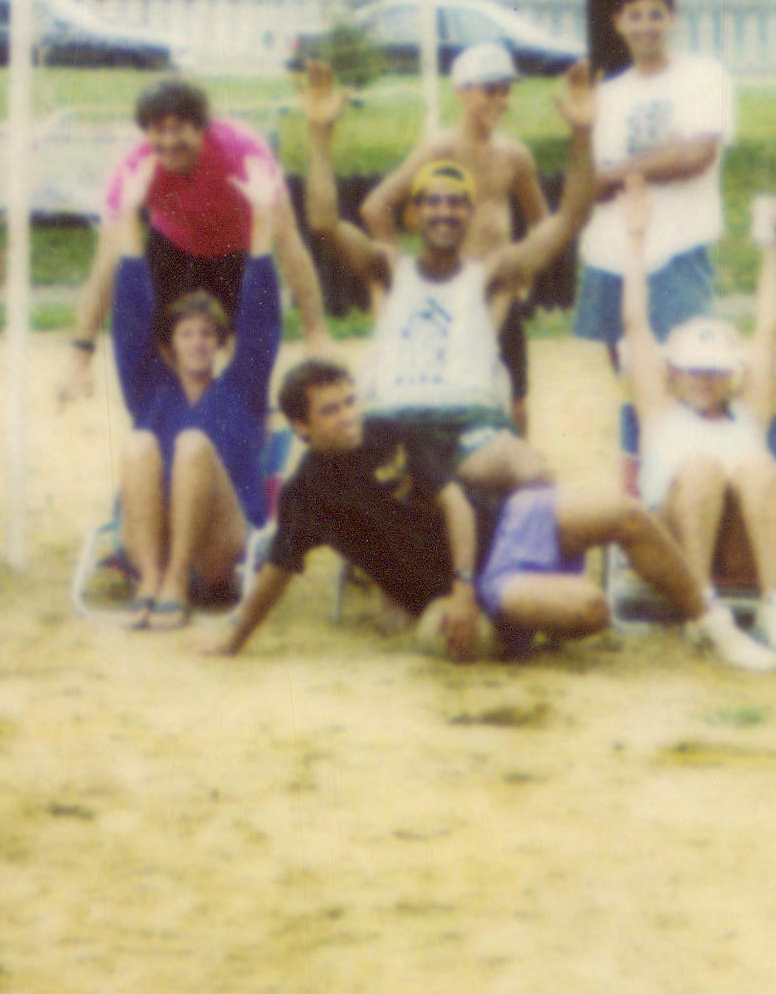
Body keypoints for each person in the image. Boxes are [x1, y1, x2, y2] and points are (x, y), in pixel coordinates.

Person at [199, 361, 776, 670]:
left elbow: (454, 502)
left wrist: (460, 588)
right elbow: (276, 572)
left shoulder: (390, 432)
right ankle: (516, 627)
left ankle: (714, 626)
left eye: (350, 400)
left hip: (505, 526)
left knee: (626, 514)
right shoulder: (306, 495)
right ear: (302, 426)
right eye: (331, 411)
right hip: (493, 583)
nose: (349, 415)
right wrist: (234, 639)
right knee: (591, 611)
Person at [297, 55, 595, 482]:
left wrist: (582, 134)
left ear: (470, 214)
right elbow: (324, 222)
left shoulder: (492, 276)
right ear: (413, 215)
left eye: (456, 202)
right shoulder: (390, 270)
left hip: (464, 424)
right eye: (432, 202)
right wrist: (319, 133)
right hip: (393, 423)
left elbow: (570, 218)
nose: (444, 212)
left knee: (530, 468)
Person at [618, 178, 776, 649]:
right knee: (701, 468)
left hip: (741, 547)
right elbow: (635, 323)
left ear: (732, 375)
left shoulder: (748, 414)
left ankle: (773, 606)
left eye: (715, 371)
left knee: (760, 467)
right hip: (671, 545)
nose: (704, 380)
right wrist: (637, 241)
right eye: (694, 370)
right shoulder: (660, 412)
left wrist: (771, 253)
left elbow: (768, 332)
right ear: (674, 373)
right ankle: (700, 606)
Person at [105, 155, 286, 626]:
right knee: (141, 441)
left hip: (218, 547)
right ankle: (151, 579)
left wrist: (262, 222)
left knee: (191, 445)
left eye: (208, 334)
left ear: (223, 343)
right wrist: (129, 219)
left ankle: (177, 579)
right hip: (149, 538)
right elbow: (128, 321)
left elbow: (262, 323)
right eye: (187, 334)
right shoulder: (150, 390)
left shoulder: (241, 391)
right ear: (169, 345)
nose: (199, 343)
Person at [65, 77, 329, 397]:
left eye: (179, 128)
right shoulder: (136, 167)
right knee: (168, 348)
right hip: (174, 248)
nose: (168, 140)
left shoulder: (242, 152)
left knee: (244, 354)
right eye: (157, 130)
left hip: (236, 252)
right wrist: (80, 356)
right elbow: (105, 266)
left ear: (203, 126)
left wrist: (316, 336)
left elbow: (288, 242)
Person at [357, 43, 554, 425]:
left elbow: (541, 222)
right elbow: (375, 206)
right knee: (447, 391)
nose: (499, 100)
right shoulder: (442, 147)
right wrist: (398, 270)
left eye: (505, 90)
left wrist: (524, 270)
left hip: (496, 289)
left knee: (514, 401)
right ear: (462, 92)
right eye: (489, 90)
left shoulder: (514, 155)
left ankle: (515, 481)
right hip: (450, 293)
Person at [571, 0, 734, 357]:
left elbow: (696, 156)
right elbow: (586, 188)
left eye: (656, 15)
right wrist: (663, 157)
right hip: (610, 254)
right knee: (622, 369)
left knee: (683, 361)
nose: (646, 26)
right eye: (635, 16)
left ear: (672, 19)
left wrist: (619, 171)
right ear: (618, 23)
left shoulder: (703, 76)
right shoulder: (607, 95)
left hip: (675, 251)